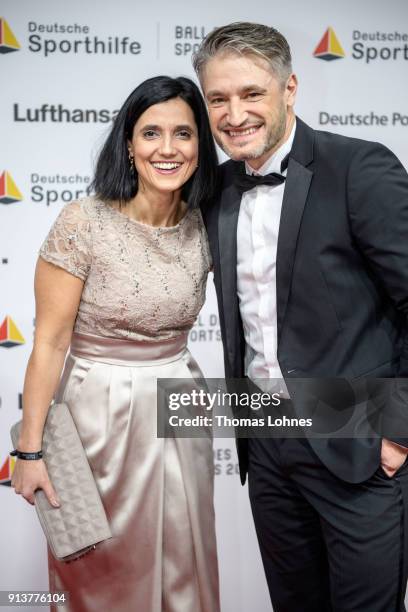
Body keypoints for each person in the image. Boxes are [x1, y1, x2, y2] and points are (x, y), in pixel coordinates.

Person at [193, 22, 408, 612]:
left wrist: (397, 435)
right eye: (218, 99)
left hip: (358, 445)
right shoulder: (217, 190)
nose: (234, 115)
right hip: (266, 447)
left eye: (251, 94)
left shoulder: (357, 168)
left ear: (289, 88)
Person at [11, 75, 220, 612]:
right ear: (128, 143)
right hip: (96, 414)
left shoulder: (206, 222)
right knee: (100, 572)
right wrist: (29, 452)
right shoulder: (84, 221)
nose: (168, 149)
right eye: (151, 133)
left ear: (201, 145)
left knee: (183, 560)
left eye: (184, 134)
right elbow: (51, 343)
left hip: (181, 404)